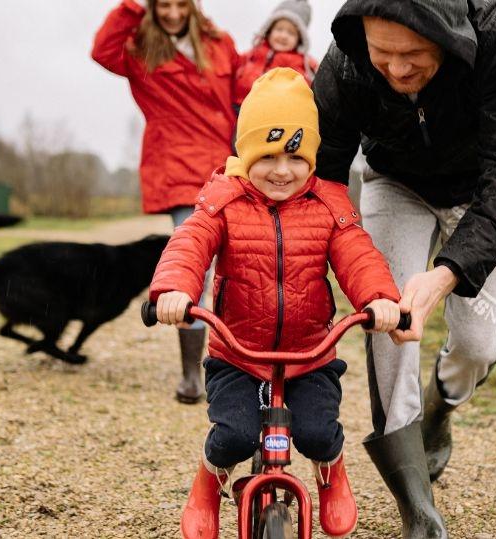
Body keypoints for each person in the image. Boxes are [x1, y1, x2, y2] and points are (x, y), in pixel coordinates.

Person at [312, 0, 496, 536]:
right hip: (393, 182)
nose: (397, 70)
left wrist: (446, 274)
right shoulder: (348, 61)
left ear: (446, 37)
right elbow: (325, 175)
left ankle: (438, 411)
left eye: (414, 54)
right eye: (384, 54)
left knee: (476, 347)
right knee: (389, 324)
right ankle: (416, 504)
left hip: (480, 192)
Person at [149, 68, 405, 539]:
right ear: (245, 155)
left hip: (309, 355)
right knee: (233, 435)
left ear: (311, 157)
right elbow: (190, 243)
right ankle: (208, 482)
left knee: (318, 432)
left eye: (295, 155)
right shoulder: (223, 199)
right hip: (238, 355)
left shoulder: (329, 203)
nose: (282, 170)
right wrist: (175, 290)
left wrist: (380, 300)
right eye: (267, 156)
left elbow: (358, 254)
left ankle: (331, 474)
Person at [92, 0, 240, 405]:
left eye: (179, 5)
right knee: (198, 266)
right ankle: (194, 374)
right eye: (163, 6)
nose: (172, 14)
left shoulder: (219, 43)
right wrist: (131, 7)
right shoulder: (142, 50)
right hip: (179, 172)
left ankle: (237, 365)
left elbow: (245, 89)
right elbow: (102, 51)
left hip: (228, 167)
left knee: (239, 265)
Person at [233, 0, 319, 107]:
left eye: (291, 33)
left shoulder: (301, 65)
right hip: (238, 107)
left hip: (269, 114)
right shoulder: (252, 54)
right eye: (279, 29)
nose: (283, 36)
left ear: (299, 39)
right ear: (269, 30)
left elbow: (305, 90)